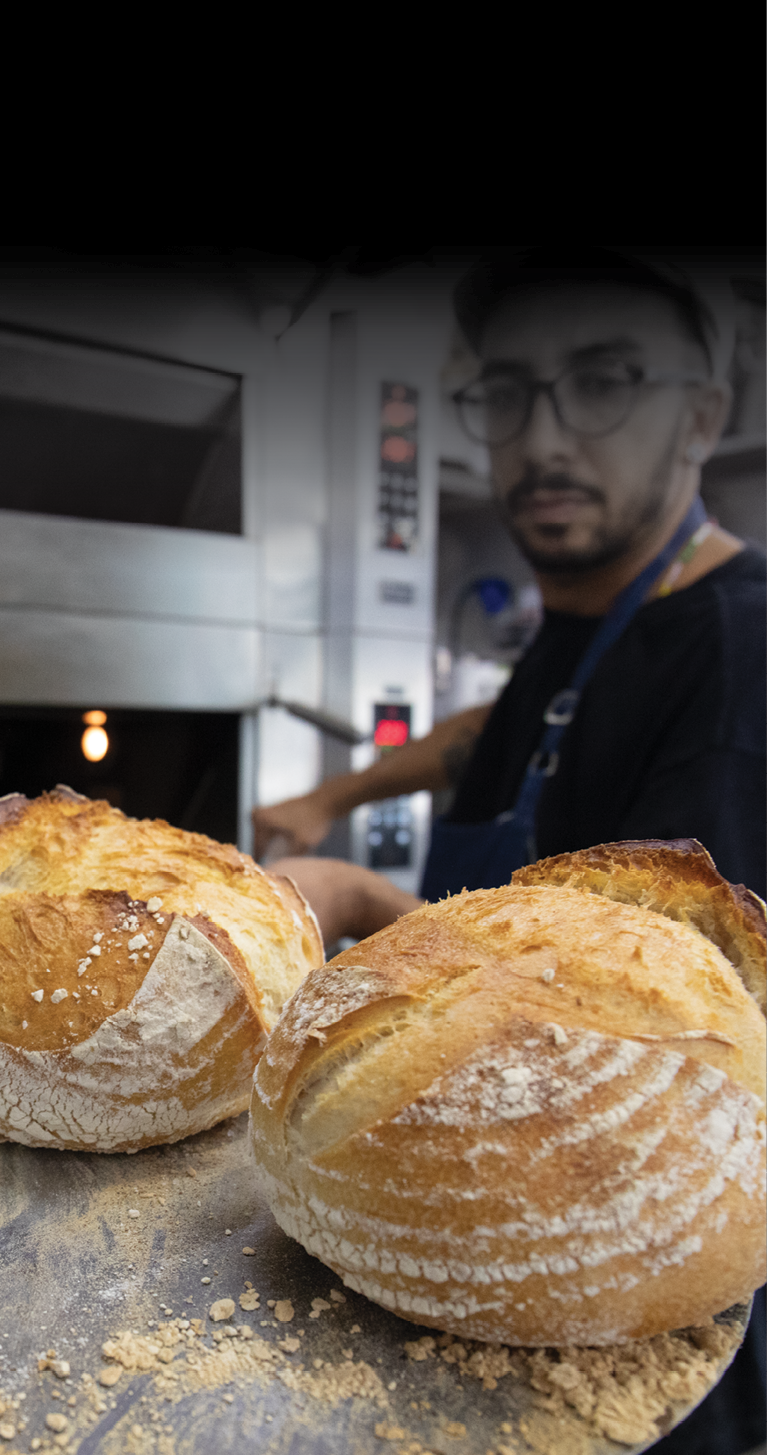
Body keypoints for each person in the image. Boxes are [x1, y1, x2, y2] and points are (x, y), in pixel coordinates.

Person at [254, 248, 766, 1455]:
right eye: (506, 392)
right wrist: (337, 790)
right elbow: (487, 731)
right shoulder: (589, 624)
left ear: (701, 415)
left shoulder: (736, 665)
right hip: (479, 1244)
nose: (541, 437)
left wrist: (356, 902)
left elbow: (652, 1034)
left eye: (600, 382)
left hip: (621, 1336)